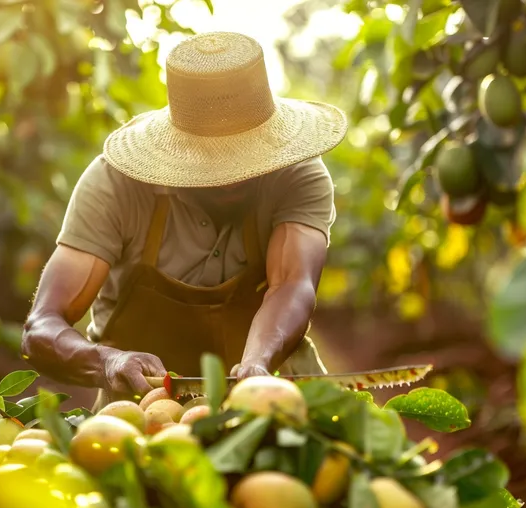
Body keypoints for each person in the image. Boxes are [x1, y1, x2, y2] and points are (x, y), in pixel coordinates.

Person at [21, 31, 347, 411]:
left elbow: (291, 284)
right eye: (214, 164)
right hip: (144, 411)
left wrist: (257, 364)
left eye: (247, 160)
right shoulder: (116, 184)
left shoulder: (298, 173)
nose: (234, 178)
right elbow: (41, 327)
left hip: (275, 398)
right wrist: (107, 361)